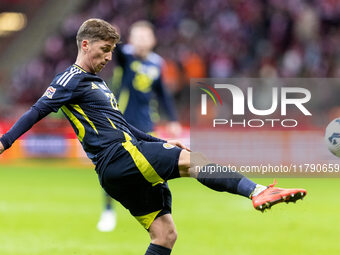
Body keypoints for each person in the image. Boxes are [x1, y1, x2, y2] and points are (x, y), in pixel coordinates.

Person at [0, 19, 307, 255]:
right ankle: (256, 191)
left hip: (119, 165)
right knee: (192, 161)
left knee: (165, 235)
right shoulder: (70, 79)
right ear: (84, 44)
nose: (108, 57)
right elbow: (37, 110)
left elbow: (125, 127)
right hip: (119, 157)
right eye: (103, 50)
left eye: (110, 51)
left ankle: (254, 191)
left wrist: (160, 143)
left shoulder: (98, 85)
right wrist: (4, 141)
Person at [97, 20, 182, 232]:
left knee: (157, 169)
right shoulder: (124, 56)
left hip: (146, 124)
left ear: (153, 40)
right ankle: (108, 211)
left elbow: (162, 93)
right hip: (120, 122)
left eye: (146, 37)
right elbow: (117, 51)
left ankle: (161, 213)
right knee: (113, 170)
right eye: (138, 36)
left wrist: (172, 119)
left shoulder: (157, 63)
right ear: (131, 39)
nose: (142, 41)